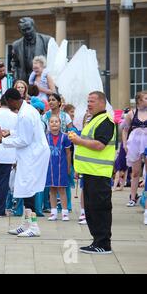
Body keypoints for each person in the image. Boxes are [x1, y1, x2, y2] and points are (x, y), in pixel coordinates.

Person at [0, 88, 50, 237]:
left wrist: (3, 141)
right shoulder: (26, 109)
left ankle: (34, 226)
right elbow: (23, 132)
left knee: (27, 189)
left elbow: (24, 140)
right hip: (31, 153)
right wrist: (10, 132)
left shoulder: (25, 114)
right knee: (24, 188)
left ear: (12, 101)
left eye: (7, 103)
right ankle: (26, 224)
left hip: (33, 155)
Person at [70, 91, 116, 254]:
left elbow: (99, 145)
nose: (89, 104)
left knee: (99, 209)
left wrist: (78, 140)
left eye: (92, 101)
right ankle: (97, 241)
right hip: (90, 172)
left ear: (102, 103)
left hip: (99, 174)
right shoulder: (94, 120)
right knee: (91, 209)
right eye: (88, 101)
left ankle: (103, 244)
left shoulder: (105, 121)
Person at [122, 91, 147, 208]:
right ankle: (132, 197)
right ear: (139, 100)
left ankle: (145, 195)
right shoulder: (132, 113)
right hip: (135, 143)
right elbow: (125, 129)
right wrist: (124, 144)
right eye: (146, 98)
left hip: (146, 141)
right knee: (136, 172)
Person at [45, 115, 72, 221]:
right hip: (50, 167)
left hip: (61, 167)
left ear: (60, 124)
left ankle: (65, 212)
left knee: (62, 189)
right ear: (49, 124)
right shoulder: (46, 137)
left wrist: (68, 167)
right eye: (52, 121)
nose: (54, 123)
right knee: (52, 189)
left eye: (57, 121)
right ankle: (53, 212)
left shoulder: (65, 137)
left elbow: (68, 153)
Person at [11, 17, 52, 82]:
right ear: (20, 31)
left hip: (43, 81)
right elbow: (15, 64)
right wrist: (16, 78)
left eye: (29, 29)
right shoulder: (16, 45)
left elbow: (54, 61)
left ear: (34, 27)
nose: (27, 32)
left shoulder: (47, 40)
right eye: (23, 30)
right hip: (24, 82)